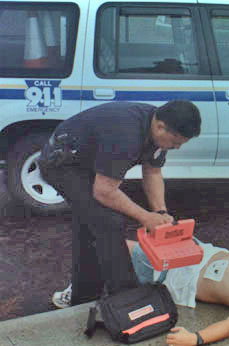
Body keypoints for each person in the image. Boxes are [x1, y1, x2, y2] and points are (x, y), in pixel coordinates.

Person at [38, 100, 201, 307]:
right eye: (176, 142)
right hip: (63, 165)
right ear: (160, 127)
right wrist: (145, 217)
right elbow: (104, 191)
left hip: (89, 161)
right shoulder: (125, 135)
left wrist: (160, 212)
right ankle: (126, 300)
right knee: (108, 221)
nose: (176, 147)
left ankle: (82, 297)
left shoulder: (158, 129)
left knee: (91, 221)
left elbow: (153, 171)